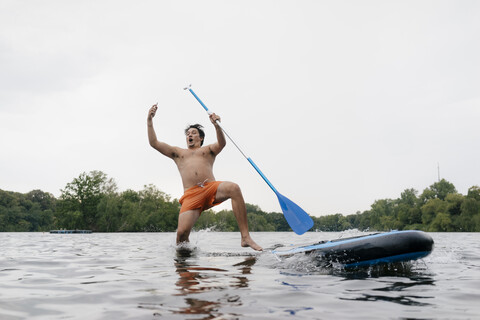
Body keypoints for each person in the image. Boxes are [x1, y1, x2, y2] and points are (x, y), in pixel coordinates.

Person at [147, 103, 262, 251]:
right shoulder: (178, 153)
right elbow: (154, 143)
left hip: (210, 188)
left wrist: (217, 126)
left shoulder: (207, 150)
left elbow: (222, 143)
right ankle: (186, 261)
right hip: (191, 194)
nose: (190, 135)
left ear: (200, 138)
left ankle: (245, 237)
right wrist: (149, 120)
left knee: (234, 188)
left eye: (193, 133)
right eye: (188, 133)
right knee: (181, 235)